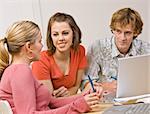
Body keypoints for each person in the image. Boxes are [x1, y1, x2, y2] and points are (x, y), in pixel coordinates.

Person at [0, 20, 102, 114]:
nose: (42, 46)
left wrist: (84, 96)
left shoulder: (19, 70)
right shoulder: (20, 71)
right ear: (29, 47)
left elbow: (52, 103)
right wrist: (77, 107)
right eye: (39, 41)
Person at [82, 8, 150, 102]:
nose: (122, 38)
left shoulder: (146, 49)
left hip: (138, 103)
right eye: (118, 31)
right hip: (106, 104)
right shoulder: (97, 47)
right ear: (112, 30)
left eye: (127, 33)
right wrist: (105, 86)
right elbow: (85, 82)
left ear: (135, 32)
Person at [32, 12, 88, 97]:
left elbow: (76, 87)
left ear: (74, 33)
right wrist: (85, 94)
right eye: (55, 34)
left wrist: (67, 95)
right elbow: (49, 100)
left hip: (69, 103)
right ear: (50, 37)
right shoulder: (41, 60)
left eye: (65, 33)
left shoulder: (80, 51)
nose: (61, 38)